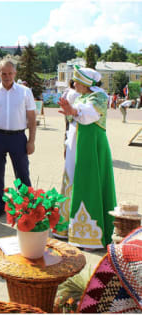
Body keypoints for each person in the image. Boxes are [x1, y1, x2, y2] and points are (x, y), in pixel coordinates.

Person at [58, 65, 116, 250]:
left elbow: (88, 116)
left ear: (84, 82)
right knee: (73, 182)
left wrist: (73, 111)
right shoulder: (81, 96)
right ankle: (70, 229)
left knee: (89, 184)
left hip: (91, 147)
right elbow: (73, 120)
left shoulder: (99, 97)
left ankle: (90, 237)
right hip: (78, 146)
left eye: (76, 80)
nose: (74, 83)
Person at [0, 60, 36, 220]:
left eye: (10, 73)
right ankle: (1, 205)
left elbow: (32, 118)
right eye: (3, 73)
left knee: (22, 174)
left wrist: (31, 141)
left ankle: (27, 207)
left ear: (15, 73)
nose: (7, 76)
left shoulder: (25, 92)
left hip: (18, 137)